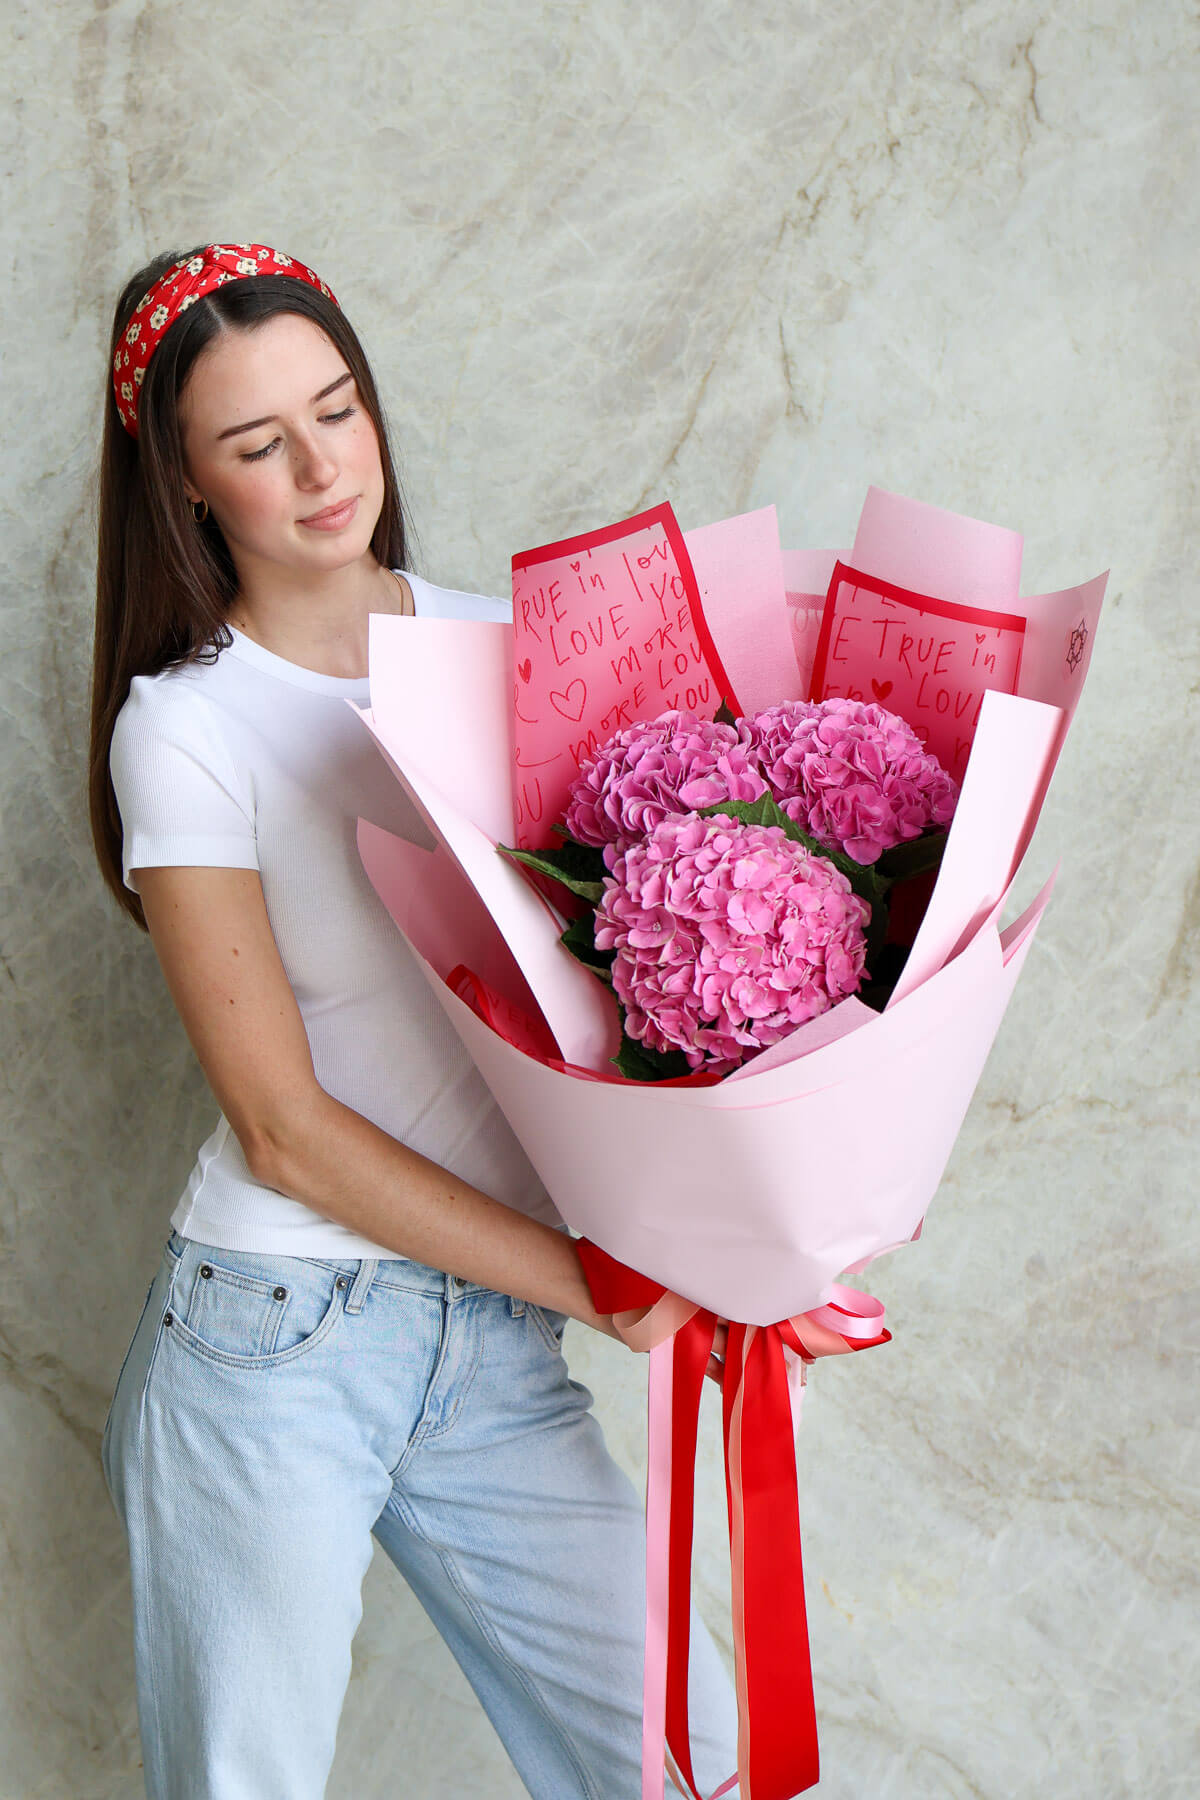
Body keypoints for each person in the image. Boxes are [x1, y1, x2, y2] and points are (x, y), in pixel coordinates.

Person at [90, 242, 739, 1800]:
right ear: (186, 486)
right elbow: (284, 1132)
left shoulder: (513, 648)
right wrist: (600, 1288)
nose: (324, 470)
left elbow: (649, 977)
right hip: (279, 1334)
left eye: (338, 410)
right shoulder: (185, 728)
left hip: (494, 1336)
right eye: (259, 444)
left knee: (692, 1764)